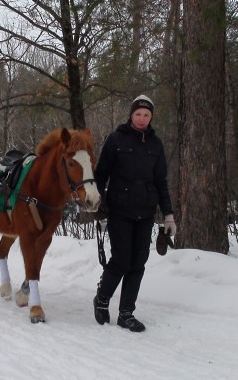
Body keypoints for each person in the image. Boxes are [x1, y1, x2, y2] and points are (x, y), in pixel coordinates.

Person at [92, 95, 177, 332]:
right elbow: (100, 176)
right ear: (131, 115)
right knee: (121, 259)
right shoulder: (115, 139)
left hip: (146, 213)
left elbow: (161, 181)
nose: (142, 118)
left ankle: (126, 313)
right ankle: (102, 298)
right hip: (119, 210)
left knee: (138, 263)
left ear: (151, 118)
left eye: (146, 115)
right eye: (138, 114)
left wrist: (168, 215)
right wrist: (100, 206)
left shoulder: (156, 145)